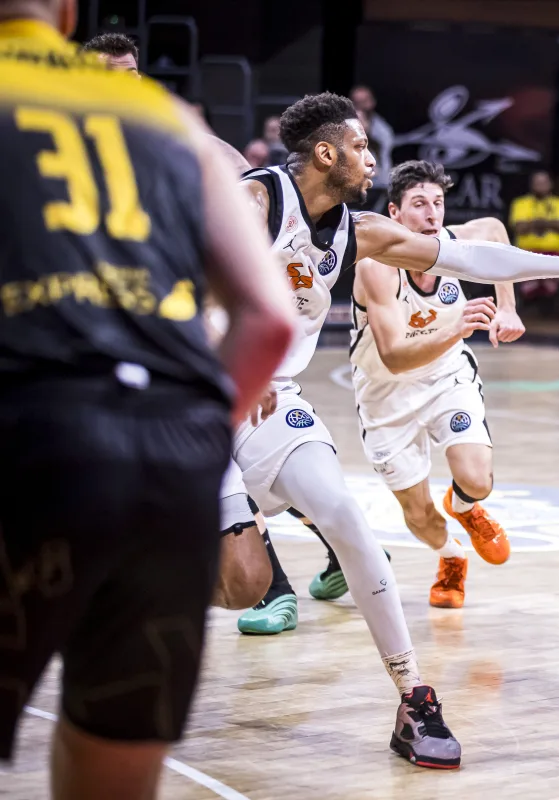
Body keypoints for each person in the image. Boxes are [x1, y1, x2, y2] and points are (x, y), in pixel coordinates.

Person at [234, 92, 559, 766]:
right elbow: (187, 271)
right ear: (326, 153)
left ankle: (414, 697)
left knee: (346, 520)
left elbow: (477, 259)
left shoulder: (358, 230)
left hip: (273, 399)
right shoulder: (257, 202)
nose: (373, 158)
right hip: (205, 391)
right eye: (361, 146)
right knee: (233, 580)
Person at [0, 3, 295, 797]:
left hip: (33, 437)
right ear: (68, 12)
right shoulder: (172, 122)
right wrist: (192, 439)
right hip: (170, 454)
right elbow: (269, 320)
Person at [341, 159, 525, 609]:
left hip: (446, 376)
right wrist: (457, 328)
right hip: (386, 393)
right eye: (419, 204)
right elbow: (394, 356)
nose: (432, 214)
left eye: (438, 203)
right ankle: (450, 555)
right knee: (419, 515)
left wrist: (507, 307)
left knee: (477, 479)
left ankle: (463, 506)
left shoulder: (452, 242)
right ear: (394, 213)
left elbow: (495, 231)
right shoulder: (377, 266)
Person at [509, 170, 559, 300]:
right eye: (537, 183)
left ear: (550, 184)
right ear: (532, 185)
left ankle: (547, 294)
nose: (541, 186)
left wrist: (532, 223)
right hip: (526, 253)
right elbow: (519, 228)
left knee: (551, 283)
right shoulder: (520, 203)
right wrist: (549, 223)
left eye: (544, 183)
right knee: (529, 283)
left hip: (554, 254)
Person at [350, 85, 394, 180]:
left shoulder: (383, 130)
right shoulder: (345, 126)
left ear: (372, 102)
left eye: (364, 102)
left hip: (378, 182)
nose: (361, 107)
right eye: (357, 103)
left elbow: (382, 158)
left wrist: (366, 132)